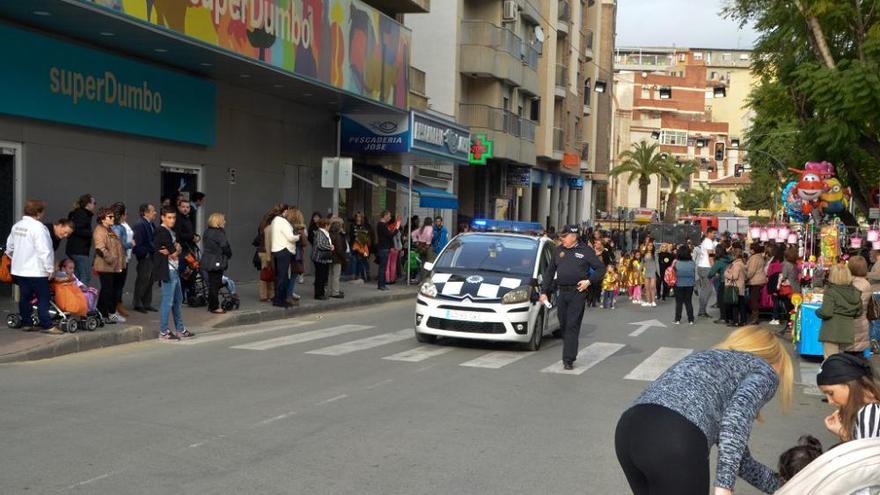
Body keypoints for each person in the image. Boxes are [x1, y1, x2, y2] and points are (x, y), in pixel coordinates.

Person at [615, 325, 794, 495]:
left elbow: (740, 459)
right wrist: (724, 486)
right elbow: (735, 419)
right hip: (674, 437)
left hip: (629, 430)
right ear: (771, 357)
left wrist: (783, 486)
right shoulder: (764, 369)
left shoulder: (710, 359)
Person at [539, 224, 606, 370]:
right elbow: (550, 273)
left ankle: (568, 359)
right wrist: (544, 292)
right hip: (562, 293)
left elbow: (601, 269)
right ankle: (569, 351)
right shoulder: (559, 251)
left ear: (573, 236)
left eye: (564, 236)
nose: (562, 239)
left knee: (572, 325)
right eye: (561, 237)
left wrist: (588, 281)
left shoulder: (585, 251)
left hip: (578, 292)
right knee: (563, 324)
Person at [7, 200, 55, 331]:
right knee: (44, 297)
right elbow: (44, 250)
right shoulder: (38, 228)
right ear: (38, 213)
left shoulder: (17, 226)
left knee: (25, 297)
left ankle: (27, 323)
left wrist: (18, 259)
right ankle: (47, 325)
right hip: (36, 271)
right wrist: (49, 268)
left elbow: (9, 248)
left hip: (19, 271)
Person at [816, 353, 880, 441]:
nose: (830, 401)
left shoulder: (869, 412)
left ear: (849, 385)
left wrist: (843, 434)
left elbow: (866, 453)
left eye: (831, 393)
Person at [153, 206, 193, 340]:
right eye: (169, 217)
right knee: (167, 301)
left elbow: (177, 249)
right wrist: (174, 250)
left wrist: (175, 249)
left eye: (174, 217)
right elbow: (173, 252)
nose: (172, 220)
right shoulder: (161, 231)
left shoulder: (171, 231)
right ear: (162, 217)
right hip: (168, 270)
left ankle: (180, 329)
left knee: (177, 300)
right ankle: (163, 331)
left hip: (174, 270)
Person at [817, 263, 863, 358]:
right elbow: (858, 312)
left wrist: (817, 311)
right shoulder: (855, 292)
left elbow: (826, 312)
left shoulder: (831, 292)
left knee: (830, 361)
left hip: (832, 330)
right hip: (847, 330)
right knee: (841, 361)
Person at [92, 206, 125, 324]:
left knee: (109, 290)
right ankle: (104, 314)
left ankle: (104, 314)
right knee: (107, 290)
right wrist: (112, 259)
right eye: (110, 216)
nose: (112, 218)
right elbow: (100, 249)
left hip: (112, 266)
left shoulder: (109, 229)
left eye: (113, 216)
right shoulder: (100, 230)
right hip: (105, 265)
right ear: (103, 218)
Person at [201, 213, 232, 314]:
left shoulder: (207, 232)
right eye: (223, 220)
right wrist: (228, 254)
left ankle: (212, 305)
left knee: (211, 284)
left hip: (207, 260)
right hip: (216, 261)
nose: (225, 222)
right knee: (215, 284)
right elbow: (225, 247)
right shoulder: (218, 233)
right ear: (218, 222)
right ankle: (214, 306)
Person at [270, 205, 298, 308]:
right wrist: (298, 237)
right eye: (288, 211)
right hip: (284, 250)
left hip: (277, 250)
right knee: (283, 276)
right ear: (285, 211)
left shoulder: (274, 220)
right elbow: (290, 237)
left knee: (279, 276)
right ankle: (280, 300)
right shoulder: (282, 221)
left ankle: (278, 298)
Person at [110, 203, 135, 318]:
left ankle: (116, 306)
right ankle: (114, 308)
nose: (126, 215)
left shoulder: (120, 225)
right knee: (117, 284)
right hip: (120, 258)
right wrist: (131, 244)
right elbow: (120, 244)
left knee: (118, 284)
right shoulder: (119, 227)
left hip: (122, 258)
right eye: (125, 213)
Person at [131, 204, 158, 313]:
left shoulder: (150, 224)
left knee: (150, 279)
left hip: (152, 255)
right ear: (146, 212)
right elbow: (138, 242)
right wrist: (144, 253)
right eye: (153, 211)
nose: (155, 212)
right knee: (143, 279)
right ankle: (138, 303)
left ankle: (146, 303)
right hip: (146, 256)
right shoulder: (140, 225)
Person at [66, 193, 96, 284]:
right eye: (94, 203)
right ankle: (82, 297)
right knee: (85, 277)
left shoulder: (79, 213)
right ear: (88, 204)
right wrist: (91, 234)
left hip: (76, 249)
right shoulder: (82, 214)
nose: (95, 205)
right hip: (79, 250)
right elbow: (76, 229)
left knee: (78, 276)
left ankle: (75, 296)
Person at [846, 256, 872, 355]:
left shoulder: (853, 284)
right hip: (863, 321)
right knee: (858, 353)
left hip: (853, 321)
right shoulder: (866, 283)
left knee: (850, 352)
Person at [696, 227, 718, 318]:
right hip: (706, 268)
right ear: (708, 233)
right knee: (708, 290)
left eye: (715, 233)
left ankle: (702, 310)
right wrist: (714, 268)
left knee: (704, 290)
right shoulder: (709, 242)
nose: (715, 235)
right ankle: (702, 311)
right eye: (713, 233)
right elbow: (711, 256)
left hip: (701, 267)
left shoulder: (705, 241)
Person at [724, 247, 748, 327]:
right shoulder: (742, 263)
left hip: (736, 287)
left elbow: (734, 276)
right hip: (740, 287)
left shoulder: (736, 264)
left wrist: (726, 273)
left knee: (735, 305)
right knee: (741, 305)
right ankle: (743, 321)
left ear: (734, 255)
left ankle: (735, 321)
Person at [710, 245, 733, 325]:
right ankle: (730, 317)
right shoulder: (730, 258)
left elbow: (711, 273)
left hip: (723, 282)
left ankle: (723, 318)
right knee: (730, 301)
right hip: (732, 281)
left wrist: (714, 275)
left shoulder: (719, 261)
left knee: (721, 300)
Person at [673, 245, 696, 325]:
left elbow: (671, 272)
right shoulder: (692, 263)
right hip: (690, 284)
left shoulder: (676, 262)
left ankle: (677, 319)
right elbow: (694, 274)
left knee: (679, 302)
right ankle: (691, 319)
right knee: (688, 302)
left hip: (678, 283)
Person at [376, 210, 399, 291]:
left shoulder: (381, 224)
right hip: (384, 247)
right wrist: (396, 230)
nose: (389, 218)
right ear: (385, 215)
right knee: (383, 267)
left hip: (383, 247)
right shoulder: (382, 225)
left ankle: (381, 284)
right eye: (388, 216)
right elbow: (389, 235)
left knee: (383, 267)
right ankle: (381, 285)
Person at [311, 218, 333, 300]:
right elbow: (320, 245)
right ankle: (318, 294)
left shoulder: (324, 233)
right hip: (319, 258)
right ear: (326, 225)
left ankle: (321, 293)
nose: (330, 227)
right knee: (320, 276)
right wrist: (329, 247)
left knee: (323, 276)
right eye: (329, 225)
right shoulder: (320, 233)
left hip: (324, 258)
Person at [349, 212, 373, 283]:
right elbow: (351, 235)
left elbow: (368, 234)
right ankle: (354, 275)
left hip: (363, 246)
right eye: (357, 216)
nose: (358, 218)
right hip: (354, 246)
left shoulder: (365, 226)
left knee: (363, 260)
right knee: (354, 260)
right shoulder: (352, 225)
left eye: (360, 217)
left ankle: (363, 276)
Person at [329, 217, 348, 299]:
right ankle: (335, 292)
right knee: (336, 275)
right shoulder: (338, 236)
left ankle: (331, 290)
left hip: (330, 257)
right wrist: (344, 258)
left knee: (331, 275)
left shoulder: (330, 233)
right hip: (337, 258)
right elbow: (340, 248)